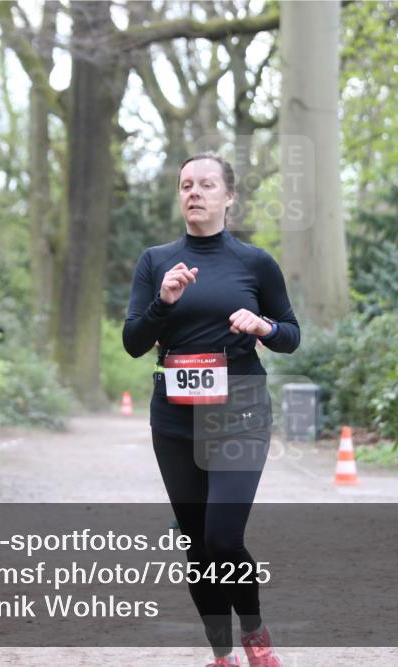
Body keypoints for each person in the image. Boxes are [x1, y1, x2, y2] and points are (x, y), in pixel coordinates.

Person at [123, 153, 299, 667]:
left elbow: (290, 334)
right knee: (198, 548)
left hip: (239, 412)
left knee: (223, 537)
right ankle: (220, 655)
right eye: (185, 185)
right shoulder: (156, 262)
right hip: (175, 421)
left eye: (205, 184)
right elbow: (135, 342)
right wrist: (164, 301)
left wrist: (263, 326)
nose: (193, 192)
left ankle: (255, 635)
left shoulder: (255, 263)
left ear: (228, 197)